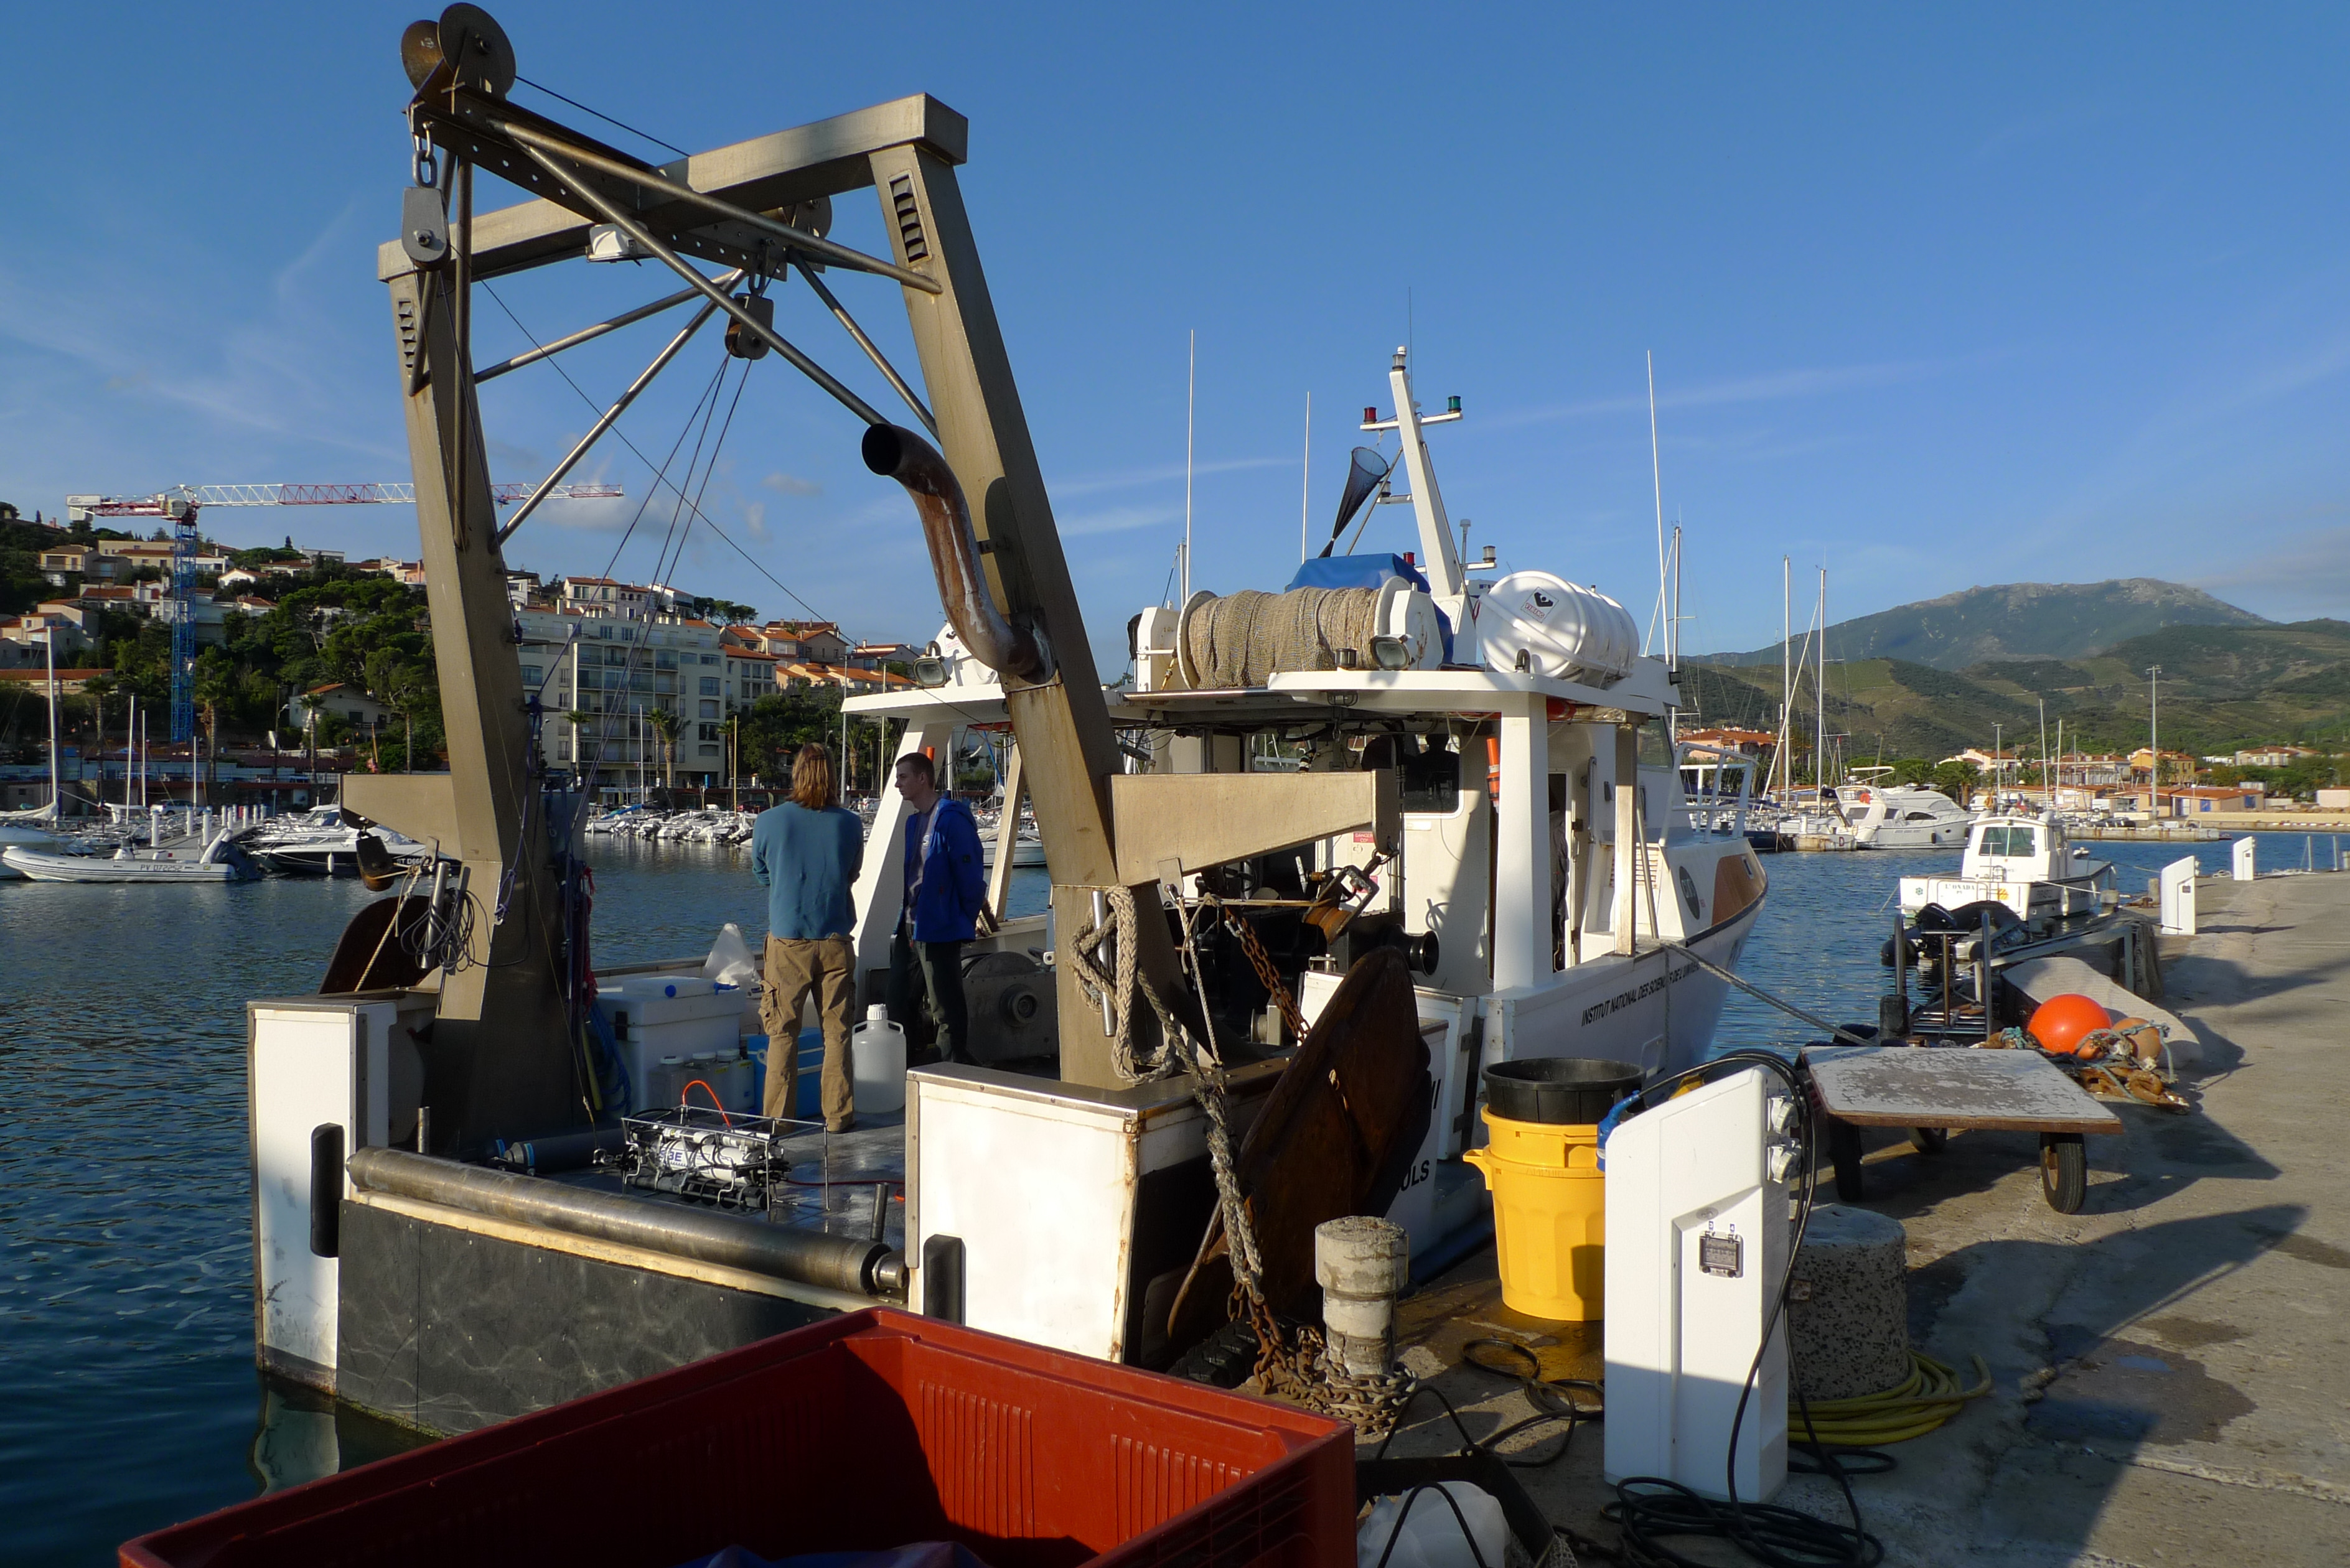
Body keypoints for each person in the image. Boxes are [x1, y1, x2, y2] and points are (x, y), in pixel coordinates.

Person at [751, 742, 864, 1132]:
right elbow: (851, 874)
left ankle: (779, 1121)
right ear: (833, 775)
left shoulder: (767, 821)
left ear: (796, 773)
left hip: (788, 942)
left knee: (782, 1033)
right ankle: (838, 1116)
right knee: (838, 1032)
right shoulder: (850, 823)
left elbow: (760, 872)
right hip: (835, 940)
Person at [887, 750, 986, 1065]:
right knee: (899, 999)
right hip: (910, 926)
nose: (897, 785)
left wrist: (959, 921)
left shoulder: (952, 820)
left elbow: (971, 879)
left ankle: (952, 1064)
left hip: (939, 928)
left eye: (903, 777)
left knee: (945, 1003)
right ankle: (903, 1063)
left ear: (922, 778)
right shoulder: (912, 823)